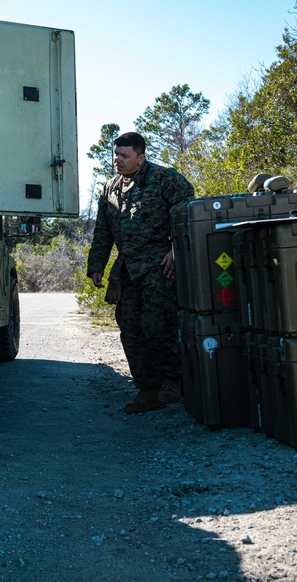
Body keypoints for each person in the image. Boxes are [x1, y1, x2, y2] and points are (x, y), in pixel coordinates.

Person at [87, 132, 194, 414]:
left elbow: (189, 215)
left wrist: (177, 249)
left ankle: (174, 381)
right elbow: (103, 231)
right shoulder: (110, 188)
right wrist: (96, 265)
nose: (118, 161)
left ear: (141, 157)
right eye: (116, 155)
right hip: (128, 271)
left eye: (125, 156)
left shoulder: (166, 180)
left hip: (160, 267)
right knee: (130, 328)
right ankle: (148, 389)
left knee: (158, 325)